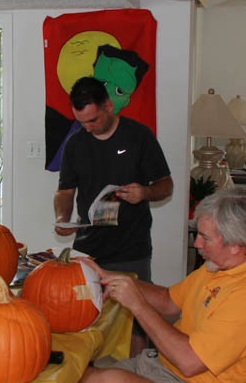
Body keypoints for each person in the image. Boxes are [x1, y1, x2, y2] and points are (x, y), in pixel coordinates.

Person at [35, 188, 246, 383]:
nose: (197, 244)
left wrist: (137, 305)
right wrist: (110, 277)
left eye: (205, 237)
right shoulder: (223, 265)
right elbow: (168, 301)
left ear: (236, 245)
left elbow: (189, 361)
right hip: (164, 371)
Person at [54, 76, 173, 354]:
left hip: (131, 248)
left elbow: (166, 186)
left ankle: (136, 376)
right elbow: (65, 192)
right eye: (81, 121)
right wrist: (62, 218)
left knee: (135, 321)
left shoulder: (139, 136)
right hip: (88, 248)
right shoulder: (75, 144)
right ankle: (88, 377)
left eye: (93, 120)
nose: (87, 127)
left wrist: (144, 192)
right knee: (83, 316)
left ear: (108, 106)